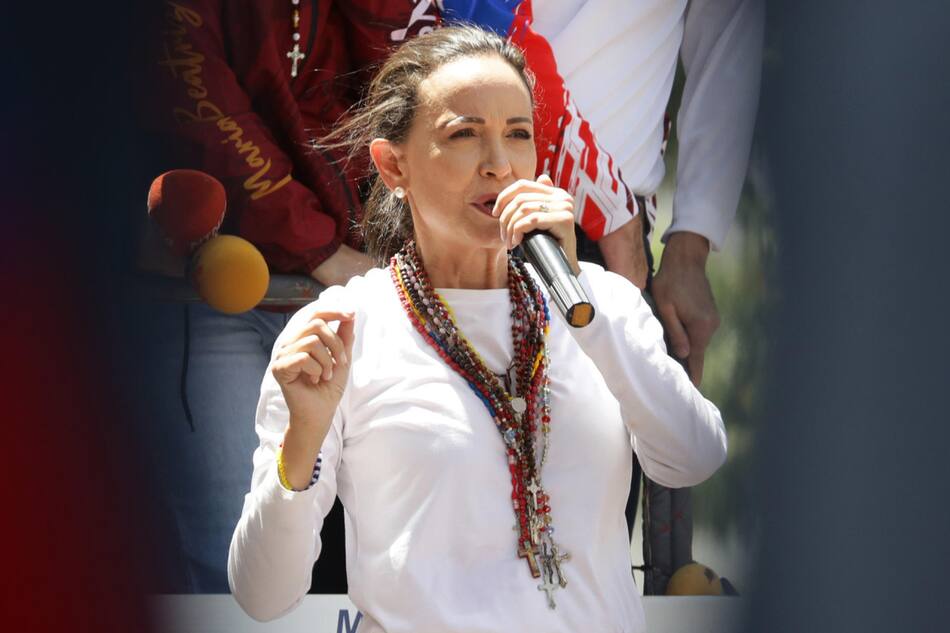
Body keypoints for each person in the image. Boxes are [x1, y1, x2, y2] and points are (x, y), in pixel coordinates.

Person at [140, 0, 648, 592]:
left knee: (366, 558)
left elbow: (488, 82)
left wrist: (614, 219)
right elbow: (206, 112)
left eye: (517, 137)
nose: (498, 158)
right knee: (223, 566)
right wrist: (323, 250)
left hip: (358, 280)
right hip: (216, 298)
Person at [229, 25, 726, 631]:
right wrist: (301, 440)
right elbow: (263, 595)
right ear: (392, 166)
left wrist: (588, 315)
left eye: (519, 134)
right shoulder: (345, 327)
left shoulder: (601, 306)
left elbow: (694, 457)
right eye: (464, 135)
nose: (499, 164)